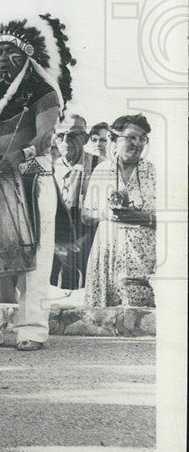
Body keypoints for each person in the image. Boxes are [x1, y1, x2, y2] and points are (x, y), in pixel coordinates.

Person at [0, 14, 75, 352]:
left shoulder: (44, 89)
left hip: (33, 180)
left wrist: (19, 157)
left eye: (9, 52)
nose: (2, 59)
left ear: (27, 55)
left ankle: (32, 331)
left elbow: (46, 136)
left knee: (32, 259)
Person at [82, 115, 156, 308]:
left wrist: (145, 217)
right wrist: (104, 215)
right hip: (105, 257)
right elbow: (85, 215)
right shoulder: (102, 170)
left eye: (142, 139)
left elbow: (169, 219)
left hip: (140, 259)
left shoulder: (153, 171)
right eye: (131, 137)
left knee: (139, 319)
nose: (137, 143)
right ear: (115, 140)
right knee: (101, 321)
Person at [50, 113, 100, 290]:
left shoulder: (100, 167)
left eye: (72, 135)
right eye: (60, 135)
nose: (65, 141)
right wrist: (57, 245)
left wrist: (80, 245)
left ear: (85, 138)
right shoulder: (49, 169)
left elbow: (106, 213)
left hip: (88, 244)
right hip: (55, 245)